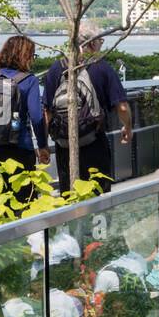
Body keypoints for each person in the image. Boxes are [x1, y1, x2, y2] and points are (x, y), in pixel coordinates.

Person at [43, 20, 133, 193]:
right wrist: (127, 127)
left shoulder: (57, 68)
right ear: (92, 43)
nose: (101, 45)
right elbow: (121, 107)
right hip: (94, 143)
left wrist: (43, 145)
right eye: (101, 42)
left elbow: (47, 112)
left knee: (70, 197)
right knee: (98, 196)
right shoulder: (102, 68)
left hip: (64, 146)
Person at [0, 34, 50, 202]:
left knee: (0, 201)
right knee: (25, 202)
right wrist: (42, 146)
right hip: (20, 150)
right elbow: (36, 117)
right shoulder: (29, 81)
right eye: (32, 56)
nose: (33, 60)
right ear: (25, 56)